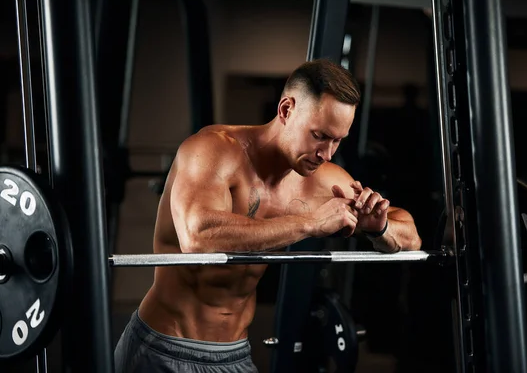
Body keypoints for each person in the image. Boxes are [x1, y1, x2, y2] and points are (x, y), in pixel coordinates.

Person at [113, 58, 422, 372]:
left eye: (337, 140)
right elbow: (198, 236)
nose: (327, 153)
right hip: (164, 348)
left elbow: (410, 237)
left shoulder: (321, 179)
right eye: (319, 136)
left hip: (235, 354)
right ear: (286, 110)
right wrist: (311, 223)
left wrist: (378, 227)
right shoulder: (214, 150)